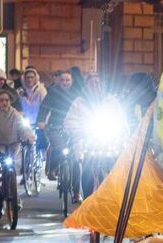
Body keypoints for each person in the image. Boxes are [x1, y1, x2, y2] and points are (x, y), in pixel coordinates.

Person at [64, 73, 126, 202]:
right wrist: (79, 131)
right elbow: (70, 121)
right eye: (91, 84)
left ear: (101, 85)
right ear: (86, 86)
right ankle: (84, 196)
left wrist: (119, 131)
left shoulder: (111, 101)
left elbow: (121, 119)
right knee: (83, 164)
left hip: (108, 139)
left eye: (97, 83)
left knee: (118, 161)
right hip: (86, 140)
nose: (94, 86)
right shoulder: (79, 102)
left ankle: (115, 194)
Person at [37, 70, 78, 180]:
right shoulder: (53, 92)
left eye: (68, 80)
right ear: (58, 81)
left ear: (72, 81)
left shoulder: (77, 94)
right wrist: (41, 120)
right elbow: (44, 107)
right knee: (60, 147)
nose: (65, 82)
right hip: (55, 124)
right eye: (62, 80)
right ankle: (52, 169)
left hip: (73, 125)